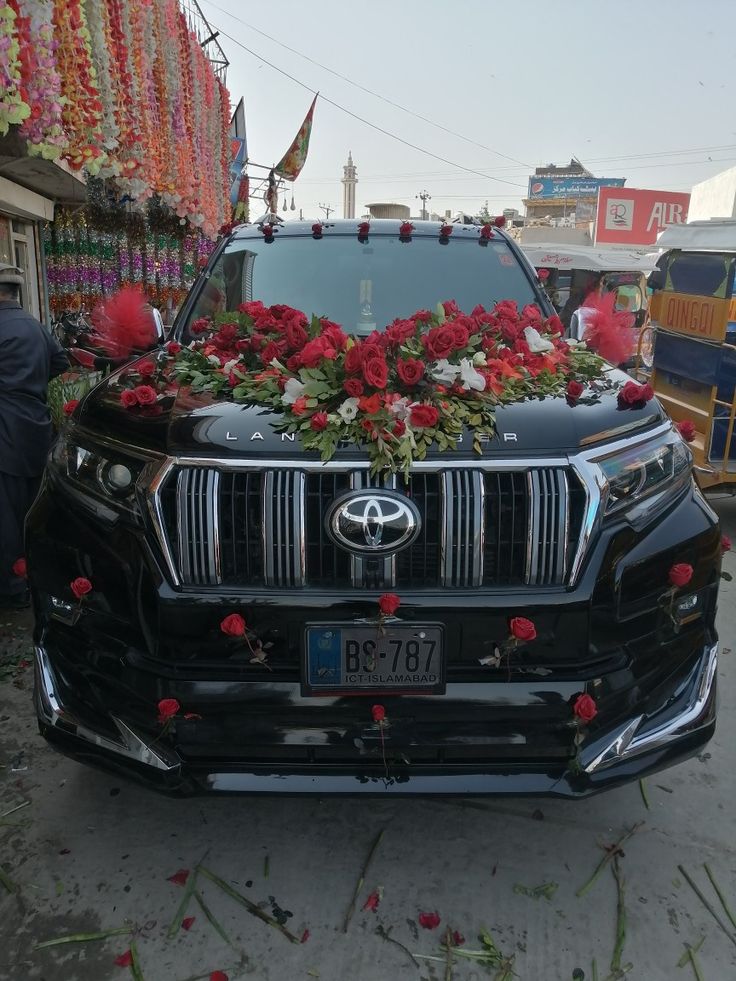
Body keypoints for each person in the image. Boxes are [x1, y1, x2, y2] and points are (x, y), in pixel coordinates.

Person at [0, 264, 68, 608]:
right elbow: (61, 362)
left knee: (7, 515)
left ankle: (15, 587)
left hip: (5, 431)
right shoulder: (35, 326)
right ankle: (38, 578)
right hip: (36, 426)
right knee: (32, 508)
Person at [569, 275, 604, 341]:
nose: (602, 286)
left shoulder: (578, 312)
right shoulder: (598, 313)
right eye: (601, 283)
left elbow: (573, 338)